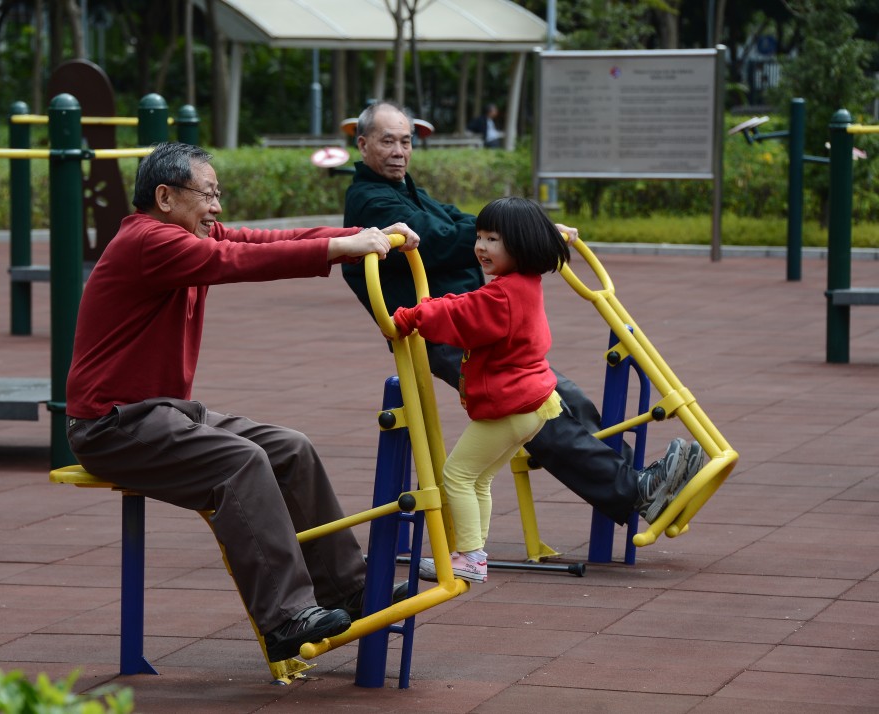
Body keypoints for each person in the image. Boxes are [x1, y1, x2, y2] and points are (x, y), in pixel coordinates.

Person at [65, 142, 417, 662]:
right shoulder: (148, 241)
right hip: (110, 425)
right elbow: (236, 260)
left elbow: (267, 239)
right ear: (165, 196)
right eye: (207, 194)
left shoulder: (184, 234)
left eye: (217, 194)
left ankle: (347, 588)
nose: (217, 207)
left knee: (290, 448)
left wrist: (357, 237)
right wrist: (343, 249)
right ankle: (285, 617)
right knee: (241, 461)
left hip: (161, 412)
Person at [342, 101, 705, 537]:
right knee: (538, 415)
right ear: (362, 145)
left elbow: (458, 219)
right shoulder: (370, 199)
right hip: (447, 331)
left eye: (405, 141)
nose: (400, 150)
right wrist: (519, 234)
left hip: (480, 321)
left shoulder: (406, 191)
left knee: (566, 396)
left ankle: (639, 482)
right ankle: (631, 490)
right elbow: (438, 239)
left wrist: (525, 228)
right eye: (387, 141)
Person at [391, 197, 570, 583]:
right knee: (479, 478)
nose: (481, 247)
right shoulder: (520, 285)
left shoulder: (502, 295)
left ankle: (470, 557)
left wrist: (410, 316)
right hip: (533, 403)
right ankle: (472, 552)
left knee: (455, 474)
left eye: (493, 239)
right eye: (480, 236)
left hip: (512, 405)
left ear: (521, 245)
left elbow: (462, 316)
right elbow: (468, 304)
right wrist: (434, 305)